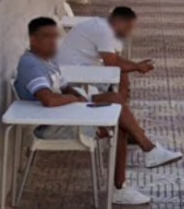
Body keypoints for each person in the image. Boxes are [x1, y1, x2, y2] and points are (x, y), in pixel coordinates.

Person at [16, 17, 155, 205]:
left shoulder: (47, 61)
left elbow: (64, 87)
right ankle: (122, 184)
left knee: (114, 100)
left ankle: (148, 149)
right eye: (46, 37)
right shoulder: (31, 64)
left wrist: (79, 97)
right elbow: (48, 100)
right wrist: (75, 99)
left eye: (54, 37)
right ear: (33, 39)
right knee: (120, 128)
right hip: (52, 127)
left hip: (67, 114)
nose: (52, 41)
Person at [56, 7, 183, 171]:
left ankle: (132, 130)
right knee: (118, 108)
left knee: (122, 86)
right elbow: (112, 62)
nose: (129, 32)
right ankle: (146, 149)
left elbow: (114, 60)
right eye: (128, 27)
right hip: (73, 86)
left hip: (82, 78)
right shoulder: (103, 31)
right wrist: (137, 66)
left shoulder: (100, 26)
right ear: (119, 22)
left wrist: (134, 66)